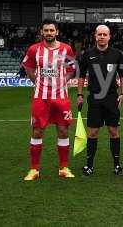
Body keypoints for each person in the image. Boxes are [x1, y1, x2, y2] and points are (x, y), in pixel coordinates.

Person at [22, 19, 76, 181]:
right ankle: (34, 169)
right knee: (37, 130)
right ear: (41, 32)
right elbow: (29, 68)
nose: (49, 33)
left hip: (61, 97)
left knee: (63, 130)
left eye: (52, 30)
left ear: (57, 32)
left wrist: (62, 82)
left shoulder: (66, 49)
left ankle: (64, 168)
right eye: (46, 30)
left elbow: (71, 69)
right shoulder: (34, 50)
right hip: (41, 98)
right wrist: (38, 83)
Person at [77, 25, 123, 176]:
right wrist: (79, 95)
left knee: (113, 131)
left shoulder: (117, 54)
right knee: (93, 132)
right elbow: (81, 76)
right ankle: (89, 166)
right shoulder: (87, 54)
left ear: (109, 36)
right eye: (100, 34)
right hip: (95, 98)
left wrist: (122, 93)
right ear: (95, 36)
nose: (102, 37)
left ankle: (117, 165)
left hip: (111, 98)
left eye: (105, 34)